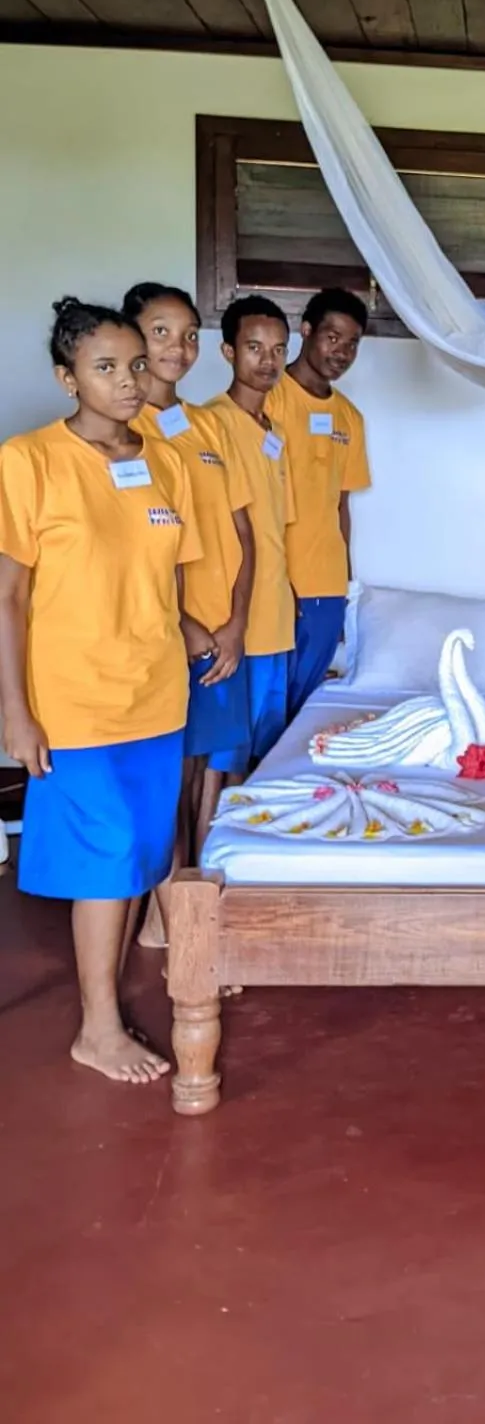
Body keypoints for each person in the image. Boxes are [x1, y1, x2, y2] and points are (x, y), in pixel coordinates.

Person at [0, 298, 202, 1083]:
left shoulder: (165, 459)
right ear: (67, 377)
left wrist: (187, 627)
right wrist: (15, 711)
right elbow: (9, 595)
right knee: (106, 852)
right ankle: (98, 1028)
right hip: (73, 697)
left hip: (154, 688)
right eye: (105, 368)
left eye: (136, 365)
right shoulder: (29, 461)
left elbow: (152, 572)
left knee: (139, 857)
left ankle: (106, 1004)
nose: (128, 381)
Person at [123, 282, 256, 854]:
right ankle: (163, 901)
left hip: (223, 628)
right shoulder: (123, 432)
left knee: (211, 764)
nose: (177, 348)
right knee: (167, 768)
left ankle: (195, 888)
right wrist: (184, 624)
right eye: (161, 333)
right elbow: (133, 548)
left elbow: (244, 534)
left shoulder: (211, 426)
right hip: (166, 630)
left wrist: (235, 624)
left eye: (187, 336)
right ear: (132, 339)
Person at [268, 288, 371, 718]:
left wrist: (346, 582)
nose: (341, 352)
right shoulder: (267, 400)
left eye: (351, 344)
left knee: (301, 705)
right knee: (263, 707)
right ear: (305, 331)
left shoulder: (350, 417)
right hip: (274, 582)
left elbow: (340, 505)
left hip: (326, 585)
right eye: (333, 337)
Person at [204, 295, 295, 779]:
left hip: (276, 614)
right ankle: (217, 848)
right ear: (228, 353)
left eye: (278, 350)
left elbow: (278, 526)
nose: (268, 361)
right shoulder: (211, 423)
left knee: (266, 745)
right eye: (255, 348)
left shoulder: (274, 430)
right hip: (237, 617)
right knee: (227, 753)